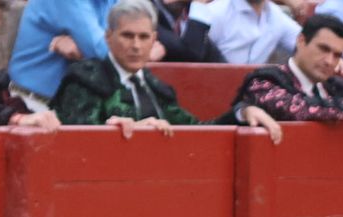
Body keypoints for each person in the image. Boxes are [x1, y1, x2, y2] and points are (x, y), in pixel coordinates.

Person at [53, 0, 284, 136]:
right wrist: (124, 131)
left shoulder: (156, 87)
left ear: (154, 40)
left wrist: (241, 113)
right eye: (127, 36)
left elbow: (197, 131)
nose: (135, 45)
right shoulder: (84, 80)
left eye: (143, 37)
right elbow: (77, 138)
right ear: (108, 37)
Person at [232, 13, 343, 124]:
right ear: (301, 41)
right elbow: (296, 109)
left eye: (337, 55)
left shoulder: (338, 87)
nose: (329, 61)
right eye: (323, 49)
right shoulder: (265, 81)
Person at [6, 0, 117, 109]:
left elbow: (124, 50)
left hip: (73, 103)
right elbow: (101, 51)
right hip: (34, 104)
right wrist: (90, 52)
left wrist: (85, 51)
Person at [190, 0, 301, 64]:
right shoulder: (216, 12)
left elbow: (305, 43)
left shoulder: (275, 15)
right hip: (215, 86)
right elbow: (195, 57)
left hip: (254, 92)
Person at [153, 0, 227, 60]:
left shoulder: (184, 13)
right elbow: (191, 54)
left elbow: (219, 63)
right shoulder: (145, 8)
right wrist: (199, 5)